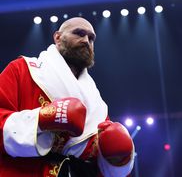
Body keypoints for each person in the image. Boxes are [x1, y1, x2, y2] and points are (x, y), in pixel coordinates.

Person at [0, 17, 135, 177]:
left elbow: (99, 169)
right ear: (57, 37)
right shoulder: (23, 70)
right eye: (79, 33)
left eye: (91, 38)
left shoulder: (97, 105)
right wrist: (42, 118)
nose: (86, 41)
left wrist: (118, 160)